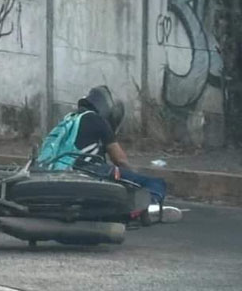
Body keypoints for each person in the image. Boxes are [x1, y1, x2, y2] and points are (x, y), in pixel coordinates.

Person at [39, 86, 182, 223]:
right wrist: (133, 175)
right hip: (90, 170)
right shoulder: (98, 120)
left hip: (59, 171)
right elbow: (120, 160)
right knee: (154, 183)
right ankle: (149, 208)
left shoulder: (69, 119)